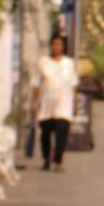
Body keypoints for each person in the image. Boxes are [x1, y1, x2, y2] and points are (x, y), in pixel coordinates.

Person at [31, 34, 80, 172]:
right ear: (51, 46)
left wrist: (75, 103)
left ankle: (58, 161)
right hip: (46, 103)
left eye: (59, 45)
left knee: (61, 133)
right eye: (54, 44)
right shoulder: (43, 62)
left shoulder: (68, 64)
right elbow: (36, 84)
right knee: (45, 133)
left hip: (64, 104)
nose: (56, 47)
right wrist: (34, 103)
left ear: (63, 47)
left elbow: (73, 84)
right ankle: (46, 158)